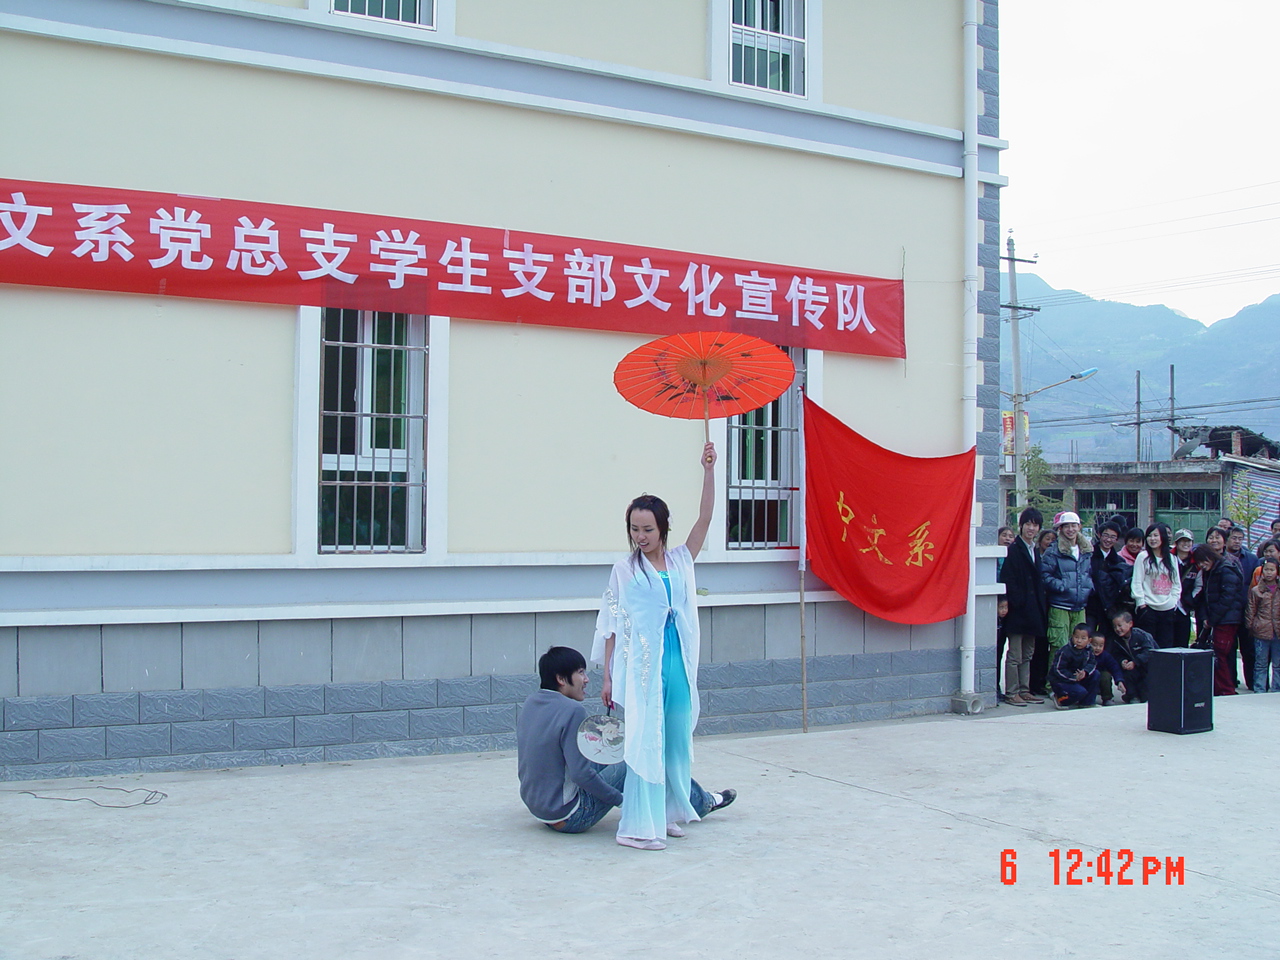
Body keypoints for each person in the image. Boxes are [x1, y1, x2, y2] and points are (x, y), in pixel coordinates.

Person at [593, 442, 718, 851]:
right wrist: (608, 676)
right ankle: (635, 826)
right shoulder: (623, 571)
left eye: (647, 529)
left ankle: (665, 812)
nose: (640, 536)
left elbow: (705, 518)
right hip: (642, 666)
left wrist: (708, 470)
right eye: (634, 529)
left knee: (675, 738)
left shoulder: (681, 561)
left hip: (676, 660)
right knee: (645, 740)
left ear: (663, 529)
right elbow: (612, 624)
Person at [516, 646, 734, 835]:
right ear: (561, 679)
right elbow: (581, 774)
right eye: (581, 672)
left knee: (612, 751)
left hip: (540, 808)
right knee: (640, 755)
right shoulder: (572, 710)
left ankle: (686, 800)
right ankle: (702, 802)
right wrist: (621, 800)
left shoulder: (531, 702)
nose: (586, 679)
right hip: (571, 816)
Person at [999, 507, 1047, 706]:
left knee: (1028, 653)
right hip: (1018, 610)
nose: (1031, 528)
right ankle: (1012, 692)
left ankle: (1024, 690)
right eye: (1028, 524)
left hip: (1033, 610)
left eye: (1035, 525)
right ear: (1021, 525)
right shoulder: (1014, 549)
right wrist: (1015, 602)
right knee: (1015, 654)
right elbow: (1007, 578)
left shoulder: (1035, 549)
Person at [1040, 511, 1093, 672]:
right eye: (1066, 526)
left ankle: (1074, 680)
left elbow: (1089, 573)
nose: (1070, 529)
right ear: (1060, 529)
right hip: (1059, 605)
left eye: (1073, 526)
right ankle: (1054, 682)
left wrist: (1089, 586)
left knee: (1080, 647)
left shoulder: (1086, 549)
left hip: (1080, 605)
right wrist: (1061, 586)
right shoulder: (1054, 550)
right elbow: (1044, 575)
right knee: (1059, 646)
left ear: (1079, 527)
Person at [1193, 544, 1244, 697]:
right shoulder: (1210, 571)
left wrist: (1212, 619)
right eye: (1199, 563)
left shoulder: (1225, 569)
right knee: (1217, 655)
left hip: (1227, 620)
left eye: (1203, 561)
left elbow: (1227, 597)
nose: (1202, 565)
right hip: (1217, 618)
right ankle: (1219, 688)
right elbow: (1206, 596)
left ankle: (1227, 689)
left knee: (1220, 655)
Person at [1131, 523, 1181, 649]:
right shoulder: (1143, 557)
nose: (1152, 539)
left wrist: (1173, 601)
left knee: (1166, 646)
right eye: (1149, 536)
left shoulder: (1172, 558)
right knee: (1148, 646)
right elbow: (1137, 582)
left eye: (1155, 535)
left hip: (1167, 609)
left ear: (1162, 537)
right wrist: (1141, 603)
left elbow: (1176, 584)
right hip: (1148, 608)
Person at [1226, 525, 1260, 690]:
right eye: (1234, 538)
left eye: (1240, 538)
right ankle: (1231, 682)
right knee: (1229, 648)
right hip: (1228, 611)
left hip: (1247, 610)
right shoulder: (1222, 558)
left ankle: (1252, 682)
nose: (1237, 542)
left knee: (1249, 649)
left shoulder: (1251, 559)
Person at [1246, 557, 1280, 693]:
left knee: (1278, 663)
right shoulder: (1256, 590)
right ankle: (1259, 688)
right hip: (1261, 631)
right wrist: (1251, 626)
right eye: (1266, 570)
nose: (1269, 573)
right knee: (1260, 663)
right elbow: (1251, 609)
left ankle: (1276, 688)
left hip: (1277, 631)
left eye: (1272, 570)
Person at [1110, 610, 1157, 703]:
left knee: (1146, 696)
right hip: (1132, 668)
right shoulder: (1116, 640)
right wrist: (1122, 661)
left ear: (1130, 623)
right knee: (1127, 674)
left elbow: (1149, 652)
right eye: (1115, 626)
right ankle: (1132, 695)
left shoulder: (1141, 635)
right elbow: (1116, 654)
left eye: (1120, 625)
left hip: (1149, 667)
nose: (1117, 629)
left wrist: (1135, 662)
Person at [1049, 623, 1099, 708]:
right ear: (1072, 636)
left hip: (1078, 677)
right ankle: (1060, 699)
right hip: (1062, 680)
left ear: (1089, 640)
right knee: (1080, 691)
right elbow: (1058, 669)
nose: (1079, 641)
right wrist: (1074, 677)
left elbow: (1092, 663)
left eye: (1083, 638)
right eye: (1076, 637)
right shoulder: (1065, 651)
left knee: (1096, 674)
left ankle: (1087, 703)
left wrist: (1085, 672)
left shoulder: (1088, 650)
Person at [1088, 632, 1127, 705]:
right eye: (1094, 645)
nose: (1097, 648)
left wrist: (1119, 681)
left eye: (1101, 646)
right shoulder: (1084, 654)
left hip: (1100, 678)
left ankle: (1107, 698)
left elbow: (1115, 668)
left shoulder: (1106, 656)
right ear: (1089, 643)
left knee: (1106, 675)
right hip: (1087, 678)